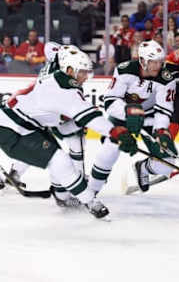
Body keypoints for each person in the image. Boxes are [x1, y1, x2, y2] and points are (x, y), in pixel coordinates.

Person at [0, 49, 137, 218]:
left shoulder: (56, 79)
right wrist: (114, 131)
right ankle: (90, 202)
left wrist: (92, 126)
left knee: (58, 158)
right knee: (59, 160)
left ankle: (62, 195)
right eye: (83, 72)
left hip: (27, 126)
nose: (86, 76)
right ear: (70, 70)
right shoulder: (65, 87)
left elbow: (63, 123)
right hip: (11, 129)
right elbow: (85, 114)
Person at [91, 40, 179, 194]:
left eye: (160, 62)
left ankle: (143, 168)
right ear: (143, 61)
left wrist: (160, 130)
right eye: (153, 62)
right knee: (110, 149)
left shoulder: (166, 78)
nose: (158, 66)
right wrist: (127, 111)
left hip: (150, 117)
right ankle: (91, 191)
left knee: (167, 164)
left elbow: (164, 110)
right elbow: (110, 102)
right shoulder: (125, 70)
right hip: (123, 116)